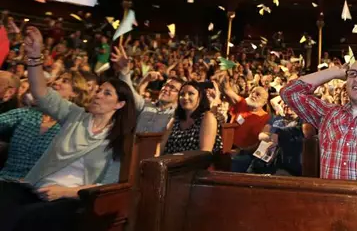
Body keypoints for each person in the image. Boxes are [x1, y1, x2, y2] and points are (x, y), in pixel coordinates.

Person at [0, 26, 137, 231]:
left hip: (72, 199)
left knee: (22, 219)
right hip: (34, 186)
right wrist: (35, 56)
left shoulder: (118, 138)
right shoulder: (76, 115)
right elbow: (41, 92)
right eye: (99, 90)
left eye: (107, 93)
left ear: (120, 105)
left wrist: (65, 192)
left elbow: (107, 185)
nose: (98, 95)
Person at [159, 81, 222, 155]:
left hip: (194, 164)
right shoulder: (175, 119)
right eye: (182, 94)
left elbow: (205, 152)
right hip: (168, 162)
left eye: (191, 94)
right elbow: (161, 145)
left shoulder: (207, 117)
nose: (185, 97)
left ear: (200, 96)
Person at [223, 79, 270, 171]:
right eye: (252, 92)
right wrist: (224, 76)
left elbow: (261, 145)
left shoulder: (266, 118)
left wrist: (240, 151)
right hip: (227, 148)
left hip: (245, 154)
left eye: (258, 94)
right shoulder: (243, 104)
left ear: (264, 102)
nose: (253, 95)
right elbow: (226, 90)